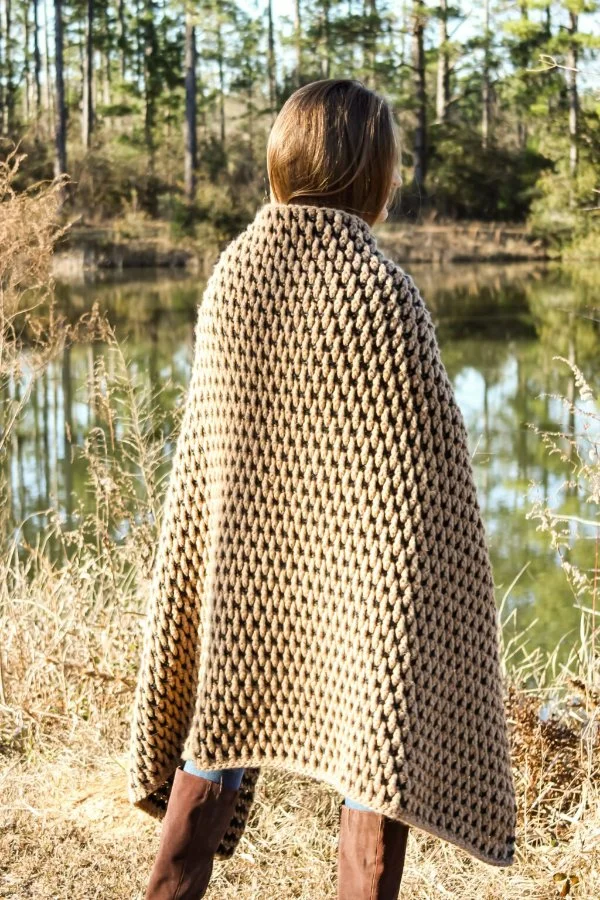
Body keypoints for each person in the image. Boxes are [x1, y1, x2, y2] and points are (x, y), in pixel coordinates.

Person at [130, 78, 516, 900]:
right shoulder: (383, 294)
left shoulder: (234, 274)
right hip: (362, 597)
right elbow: (431, 491)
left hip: (247, 587)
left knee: (220, 723)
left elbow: (215, 462)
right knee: (373, 755)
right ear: (370, 173)